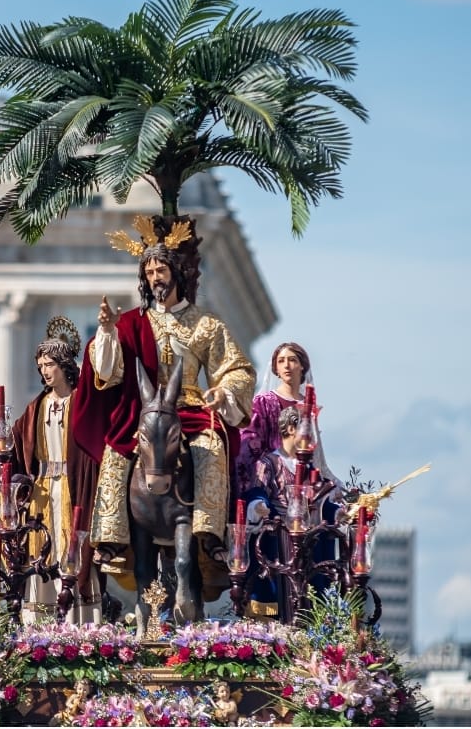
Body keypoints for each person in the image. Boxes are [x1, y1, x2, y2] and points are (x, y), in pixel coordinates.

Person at [71, 214, 256, 573]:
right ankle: (112, 539)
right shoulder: (132, 322)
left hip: (189, 407)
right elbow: (107, 371)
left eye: (161, 270)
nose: (155, 278)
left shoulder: (206, 324)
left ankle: (209, 535)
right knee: (115, 453)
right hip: (144, 411)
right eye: (149, 272)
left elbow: (235, 368)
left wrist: (222, 392)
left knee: (211, 448)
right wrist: (107, 332)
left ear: (176, 273)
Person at [2, 317, 103, 623]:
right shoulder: (36, 407)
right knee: (41, 552)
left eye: (50, 364)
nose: (45, 371)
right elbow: (15, 447)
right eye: (41, 365)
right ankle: (41, 624)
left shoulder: (81, 403)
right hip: (43, 491)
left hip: (74, 488)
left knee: (74, 551)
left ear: (64, 365)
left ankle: (78, 621)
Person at [243, 405, 342, 620]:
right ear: (289, 428)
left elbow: (320, 501)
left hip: (307, 544)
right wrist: (259, 505)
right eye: (306, 432)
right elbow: (257, 490)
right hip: (278, 541)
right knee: (279, 595)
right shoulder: (268, 463)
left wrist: (337, 513)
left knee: (308, 595)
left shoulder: (309, 469)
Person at [235, 342, 342, 499]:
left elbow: (315, 452)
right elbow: (249, 445)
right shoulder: (263, 402)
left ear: (302, 366)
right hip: (271, 481)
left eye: (292, 360)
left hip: (304, 481)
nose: (286, 365)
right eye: (281, 361)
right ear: (276, 370)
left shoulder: (308, 405)